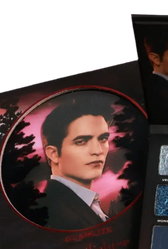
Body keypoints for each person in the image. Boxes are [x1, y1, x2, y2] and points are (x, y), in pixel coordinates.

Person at [37, 94, 113, 230]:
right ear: (53, 153)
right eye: (81, 142)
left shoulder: (79, 204)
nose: (98, 150)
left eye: (103, 139)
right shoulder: (53, 212)